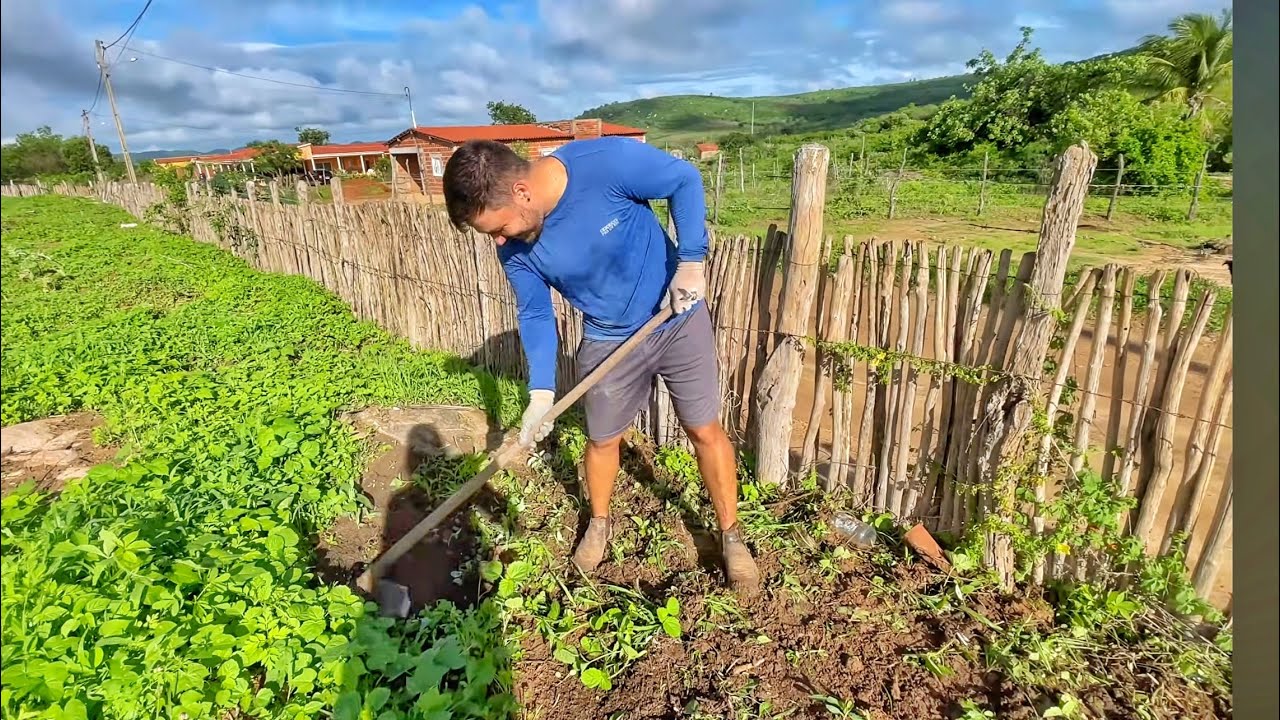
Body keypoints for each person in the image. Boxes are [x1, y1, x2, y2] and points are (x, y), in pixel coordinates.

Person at [442, 136, 761, 592]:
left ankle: (731, 536)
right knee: (603, 439)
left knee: (703, 428)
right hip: (607, 337)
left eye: (499, 226)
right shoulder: (514, 248)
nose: (498, 239)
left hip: (676, 317)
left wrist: (691, 260)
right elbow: (535, 312)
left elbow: (683, 179)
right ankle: (598, 522)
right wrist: (541, 392)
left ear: (521, 192)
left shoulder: (604, 164)